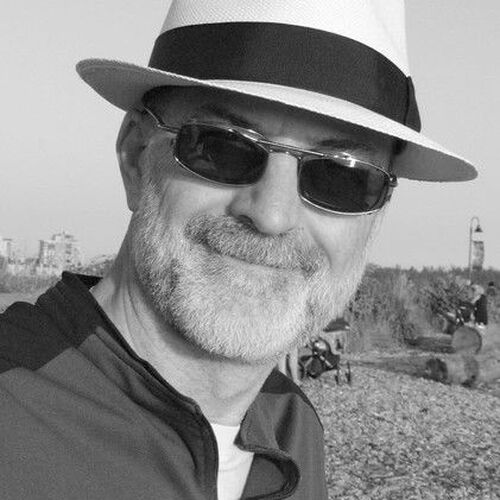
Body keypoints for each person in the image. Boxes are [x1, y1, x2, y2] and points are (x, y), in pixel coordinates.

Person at [0, 1, 477, 499]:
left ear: (376, 213)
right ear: (136, 157)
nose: (272, 214)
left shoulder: (293, 428)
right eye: (223, 146)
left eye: (342, 176)